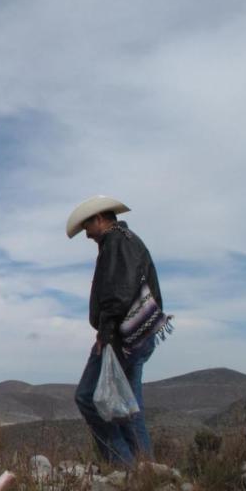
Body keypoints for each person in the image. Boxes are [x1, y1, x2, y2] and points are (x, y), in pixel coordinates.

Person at [67, 196, 172, 466]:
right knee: (128, 404)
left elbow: (117, 292)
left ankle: (123, 465)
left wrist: (107, 335)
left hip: (120, 337)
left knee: (89, 397)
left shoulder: (115, 242)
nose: (86, 235)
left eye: (87, 227)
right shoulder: (128, 240)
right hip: (138, 336)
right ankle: (144, 470)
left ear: (100, 218)